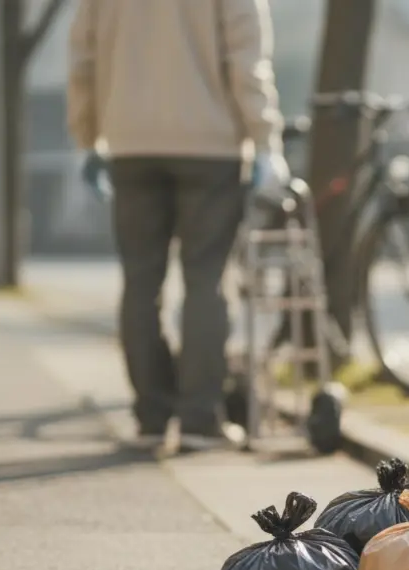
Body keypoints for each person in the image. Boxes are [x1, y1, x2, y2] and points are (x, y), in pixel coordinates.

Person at [67, 0, 290, 450]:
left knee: (140, 281)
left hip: (129, 145)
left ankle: (150, 417)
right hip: (212, 148)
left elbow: (82, 59)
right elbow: (247, 59)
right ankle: (198, 420)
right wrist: (266, 140)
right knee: (206, 282)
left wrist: (88, 136)